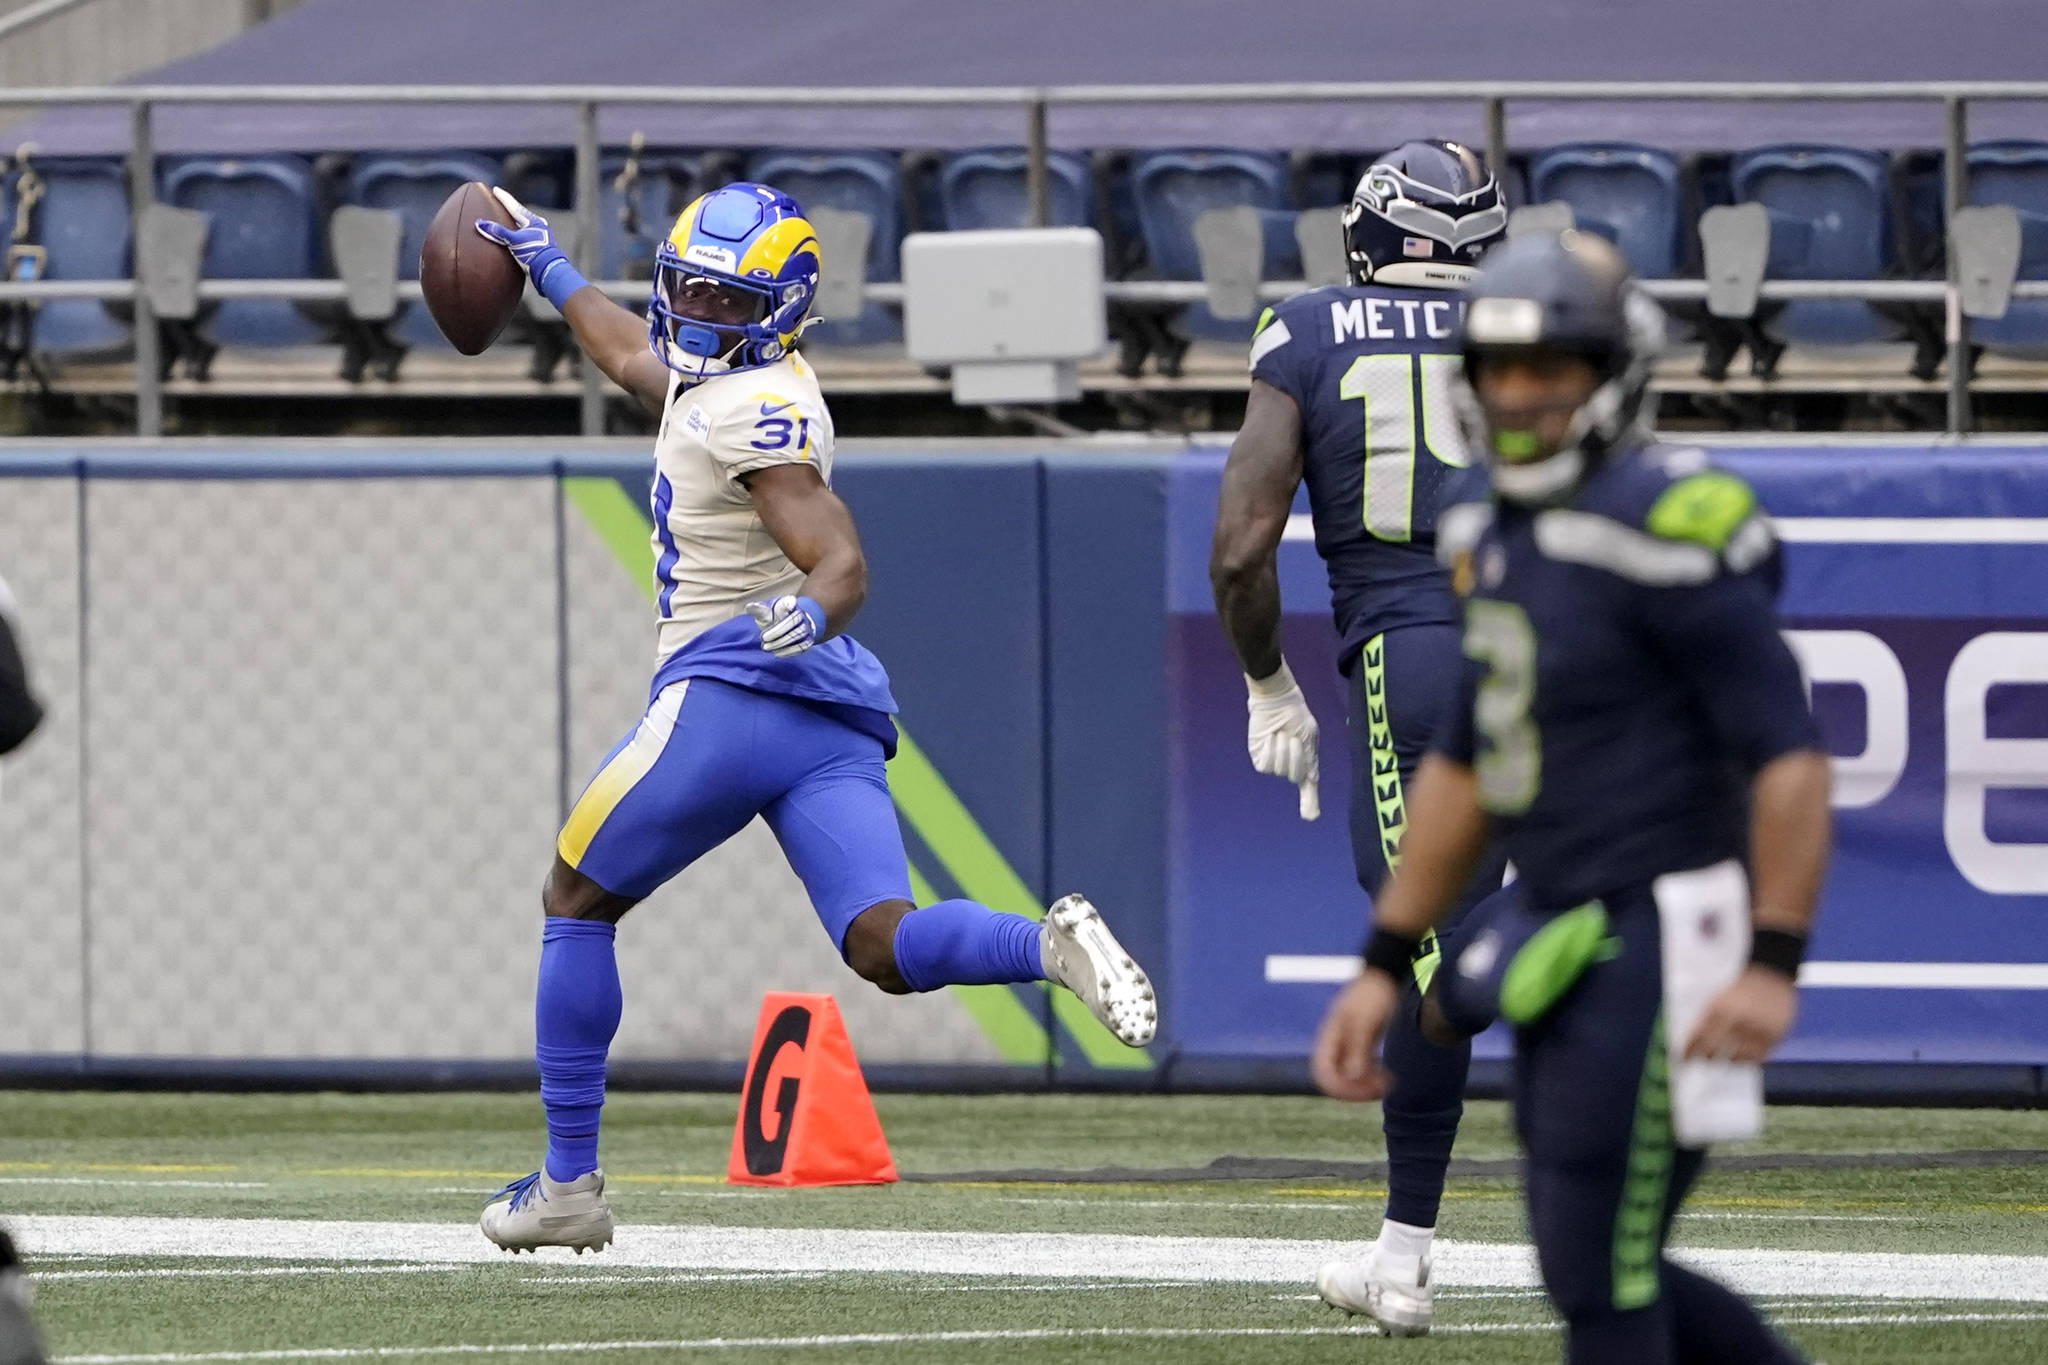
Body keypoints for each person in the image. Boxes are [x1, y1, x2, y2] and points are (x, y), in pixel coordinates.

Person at [471, 182, 1156, 1253]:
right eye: (688, 289)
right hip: (827, 718)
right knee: (879, 942)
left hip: (731, 692)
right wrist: (548, 268)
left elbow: (837, 555)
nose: (698, 315)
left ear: (784, 309)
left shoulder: (752, 411)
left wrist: (806, 605)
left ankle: (566, 1184)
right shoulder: (731, 380)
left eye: (727, 302)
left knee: (573, 896)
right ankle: (1043, 946)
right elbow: (629, 358)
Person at [1312, 230, 1830, 1364]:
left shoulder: (1674, 524)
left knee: (1603, 1268)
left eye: (1549, 368)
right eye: (1499, 370)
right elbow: (1465, 764)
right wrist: (1380, 957)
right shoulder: (1489, 534)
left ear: (1610, 376)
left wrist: (1773, 957)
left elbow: (1788, 756)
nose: (1519, 396)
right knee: (1586, 1257)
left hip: (1668, 930)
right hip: (1556, 917)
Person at [1209, 140, 1511, 1335]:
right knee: (1438, 969)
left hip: (1414, 650)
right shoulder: (1531, 323)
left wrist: (1266, 682)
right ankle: (1401, 1259)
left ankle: (1601, 910)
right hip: (1559, 637)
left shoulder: (1311, 328)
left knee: (1430, 951)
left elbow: (1240, 546)